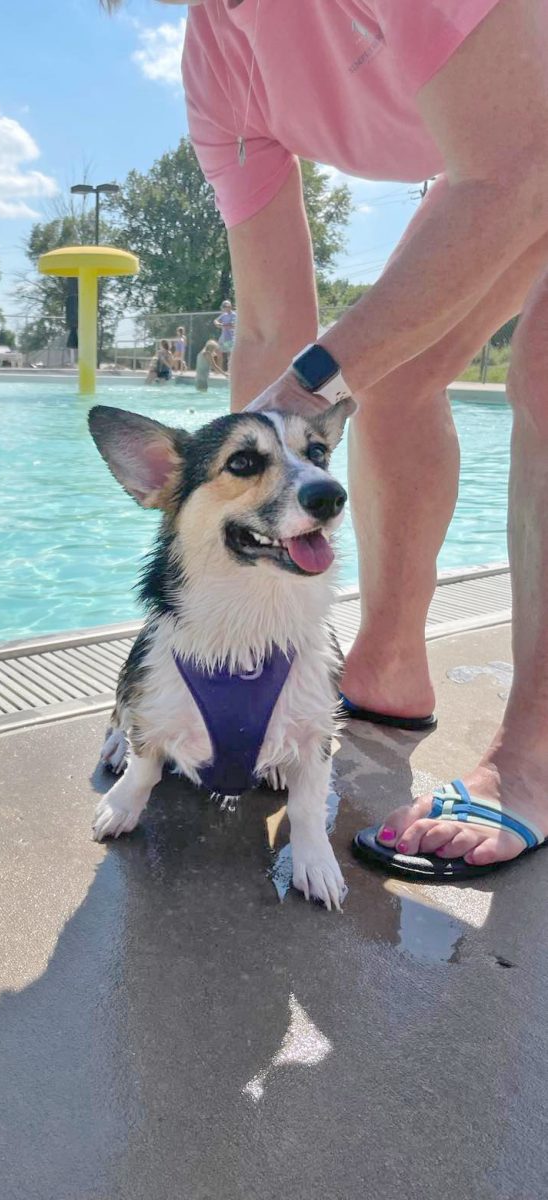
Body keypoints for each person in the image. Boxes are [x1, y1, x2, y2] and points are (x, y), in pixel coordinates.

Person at [104, 0, 548, 880]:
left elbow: (513, 167)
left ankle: (533, 752)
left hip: (522, 142)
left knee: (540, 376)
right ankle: (385, 665)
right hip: (514, 150)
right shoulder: (220, 55)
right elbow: (270, 324)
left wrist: (307, 389)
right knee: (393, 375)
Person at [213, 300, 237, 371]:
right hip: (223, 337)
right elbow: (215, 321)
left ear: (230, 307)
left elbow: (232, 325)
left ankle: (230, 371)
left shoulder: (234, 315)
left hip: (230, 337)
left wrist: (222, 325)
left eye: (226, 306)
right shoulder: (224, 315)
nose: (224, 308)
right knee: (218, 351)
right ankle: (219, 370)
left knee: (230, 355)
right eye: (224, 307)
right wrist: (217, 324)